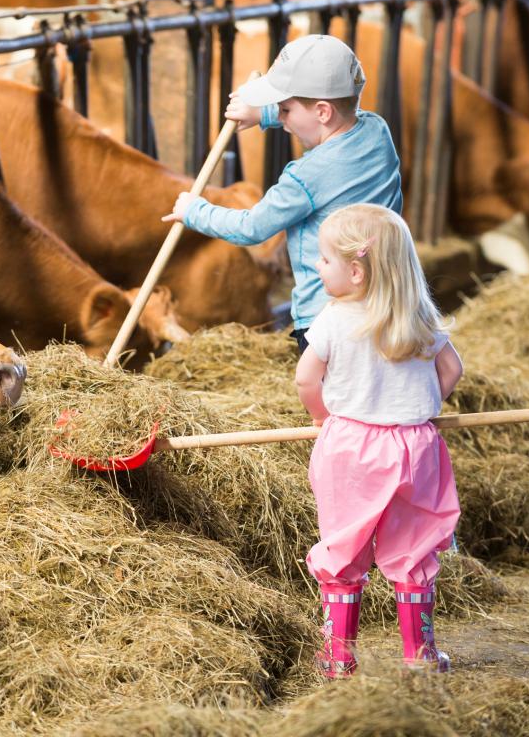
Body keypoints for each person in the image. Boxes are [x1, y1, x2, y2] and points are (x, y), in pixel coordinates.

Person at [294, 203, 463, 678]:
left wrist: (324, 418)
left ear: (355, 271)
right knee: (413, 548)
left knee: (344, 545)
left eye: (324, 260)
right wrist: (419, 405)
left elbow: (306, 379)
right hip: (416, 447)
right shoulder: (421, 317)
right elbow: (452, 370)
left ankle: (338, 656)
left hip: (350, 448)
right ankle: (421, 656)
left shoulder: (332, 318)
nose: (318, 267)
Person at [163, 34, 402, 352]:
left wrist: (195, 211)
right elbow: (321, 115)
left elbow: (252, 228)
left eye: (285, 109)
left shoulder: (305, 178)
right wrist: (263, 115)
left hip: (326, 313)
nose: (284, 119)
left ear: (322, 112)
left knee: (327, 397)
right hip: (386, 300)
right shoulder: (377, 131)